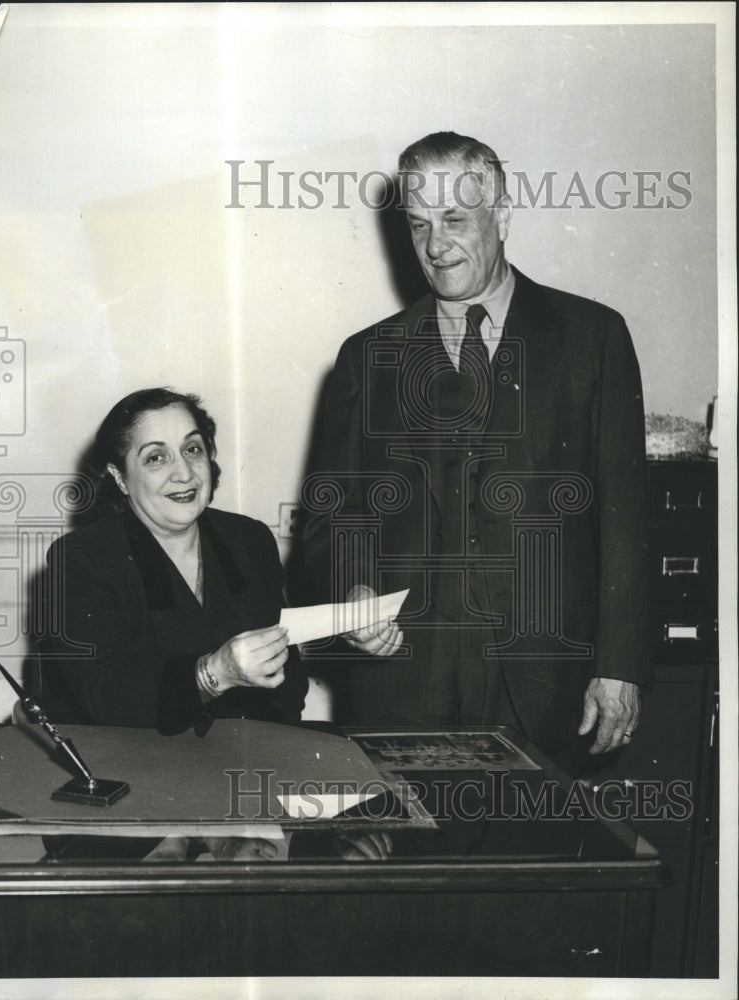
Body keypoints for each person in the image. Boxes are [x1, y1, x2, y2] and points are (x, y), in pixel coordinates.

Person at [301, 131, 650, 764]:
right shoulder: (365, 358)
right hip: (400, 689)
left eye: (455, 219)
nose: (435, 246)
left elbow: (626, 520)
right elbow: (330, 519)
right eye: (417, 224)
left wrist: (620, 666)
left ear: (503, 214)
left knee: (537, 860)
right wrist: (350, 594)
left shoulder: (592, 339)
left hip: (550, 690)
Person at [38, 388, 307, 735]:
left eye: (192, 449)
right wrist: (213, 675)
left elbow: (289, 680)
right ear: (119, 477)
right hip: (136, 763)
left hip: (246, 756)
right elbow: (102, 697)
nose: (184, 473)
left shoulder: (248, 539)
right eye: (156, 458)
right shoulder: (82, 559)